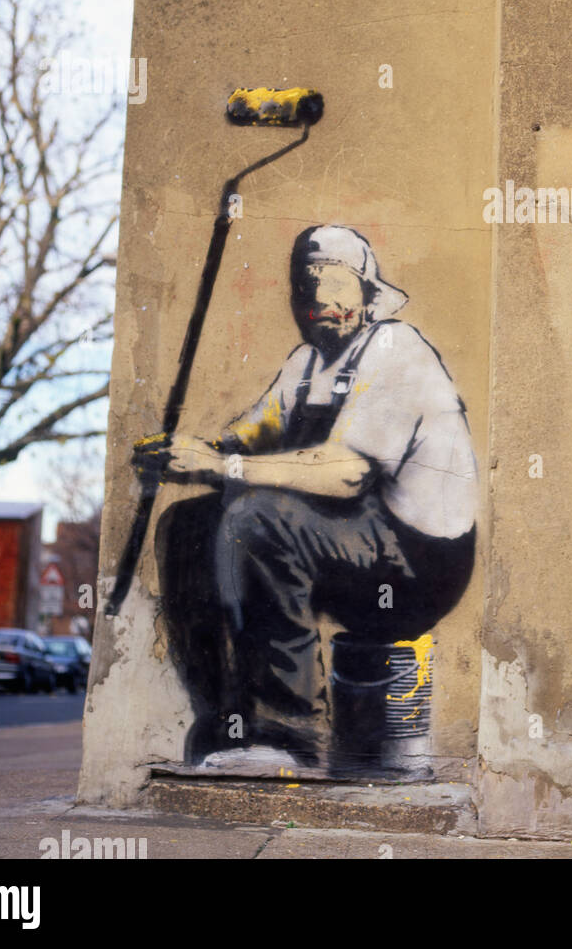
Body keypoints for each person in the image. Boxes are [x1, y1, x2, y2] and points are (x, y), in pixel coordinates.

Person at [142, 224, 477, 768]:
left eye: (333, 283)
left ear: (368, 295)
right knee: (187, 525)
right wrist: (187, 453)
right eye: (306, 285)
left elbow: (346, 474)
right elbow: (246, 439)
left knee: (257, 520)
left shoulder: (396, 348)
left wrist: (222, 465)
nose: (318, 299)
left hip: (420, 562)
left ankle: (290, 741)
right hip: (347, 545)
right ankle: (226, 725)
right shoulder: (305, 366)